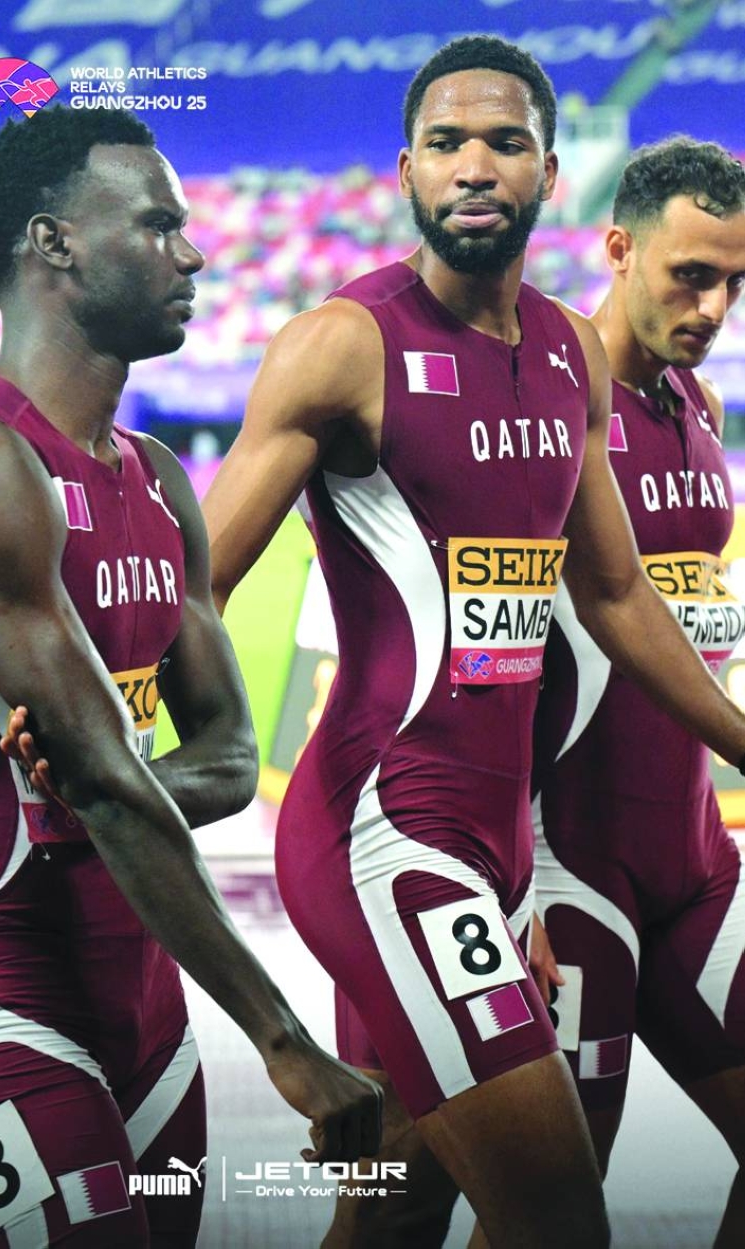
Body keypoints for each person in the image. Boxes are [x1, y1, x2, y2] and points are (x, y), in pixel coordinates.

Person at [202, 34, 745, 1249]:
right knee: (556, 1211)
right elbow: (199, 583)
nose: (474, 165)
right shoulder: (341, 343)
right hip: (381, 832)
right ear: (406, 169)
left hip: (498, 846)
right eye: (446, 143)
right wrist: (115, 713)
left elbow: (614, 601)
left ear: (550, 173)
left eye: (505, 142)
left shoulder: (564, 356)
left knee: (400, 1202)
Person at [0, 105, 381, 1249]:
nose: (194, 253)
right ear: (53, 244)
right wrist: (286, 1042)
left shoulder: (155, 475)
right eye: (158, 224)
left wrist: (104, 777)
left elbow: (229, 760)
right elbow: (107, 785)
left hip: (141, 1003)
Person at [528, 136, 745, 1246]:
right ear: (617, 248)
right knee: (557, 1215)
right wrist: (501, 885)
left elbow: (691, 606)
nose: (712, 306)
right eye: (690, 276)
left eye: (734, 283)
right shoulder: (544, 408)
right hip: (571, 872)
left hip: (694, 854)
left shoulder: (695, 404)